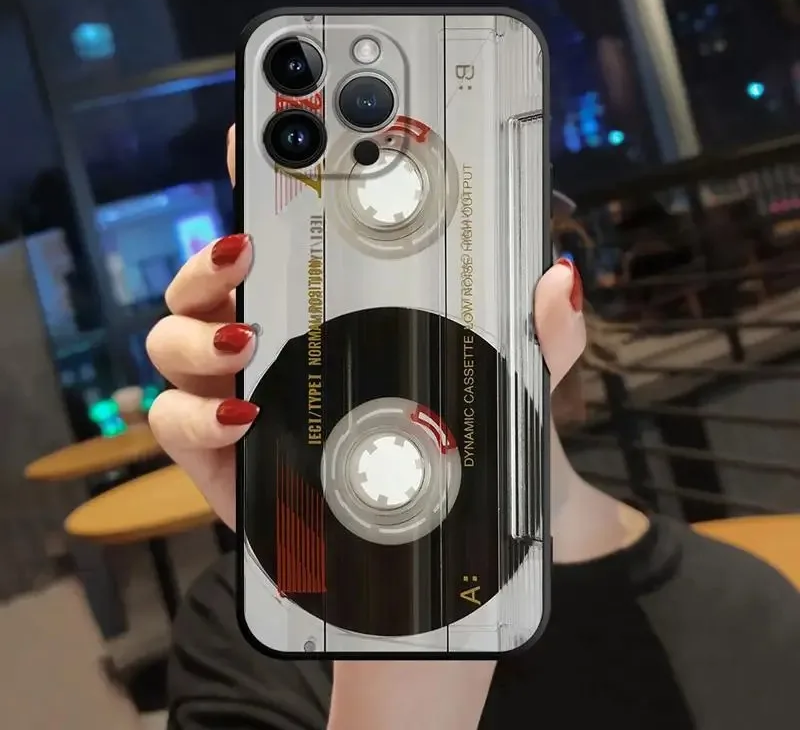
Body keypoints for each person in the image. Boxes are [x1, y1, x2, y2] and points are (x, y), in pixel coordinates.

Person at [147, 129, 800, 730]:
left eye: (434, 232)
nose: (399, 301)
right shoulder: (244, 631)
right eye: (339, 258)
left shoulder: (752, 621)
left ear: (547, 257)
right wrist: (388, 600)